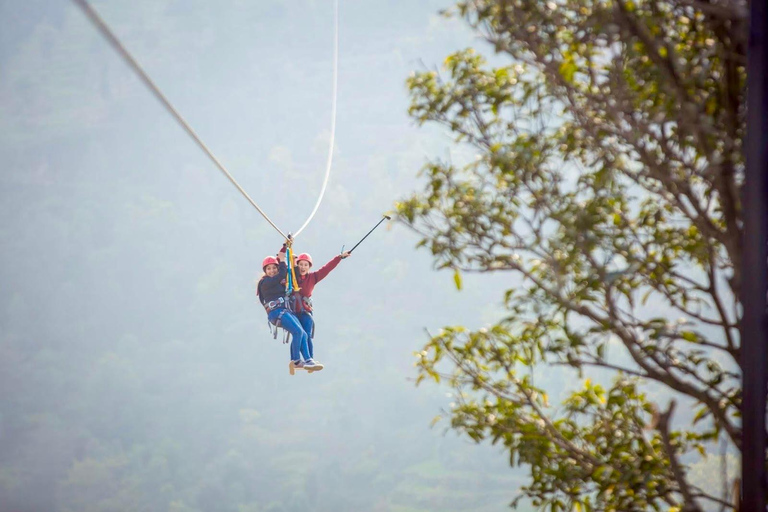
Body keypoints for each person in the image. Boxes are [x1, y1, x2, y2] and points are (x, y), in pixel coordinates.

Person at [257, 247, 323, 374]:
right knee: (298, 331)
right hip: (276, 313)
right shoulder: (265, 282)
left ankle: (307, 360)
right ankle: (297, 361)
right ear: (265, 271)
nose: (272, 270)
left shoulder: (279, 281)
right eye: (269, 268)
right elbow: (282, 272)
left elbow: (290, 272)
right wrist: (282, 260)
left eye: (274, 268)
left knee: (303, 333)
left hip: (285, 311)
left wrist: (286, 247)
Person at [292, 250, 351, 359]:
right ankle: (296, 359)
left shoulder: (313, 277)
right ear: (297, 265)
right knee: (299, 334)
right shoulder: (292, 277)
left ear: (309, 267)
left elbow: (327, 268)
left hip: (305, 311)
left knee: (307, 335)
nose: (303, 267)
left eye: (305, 265)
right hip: (293, 312)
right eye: (301, 264)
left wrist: (339, 257)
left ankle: (310, 359)